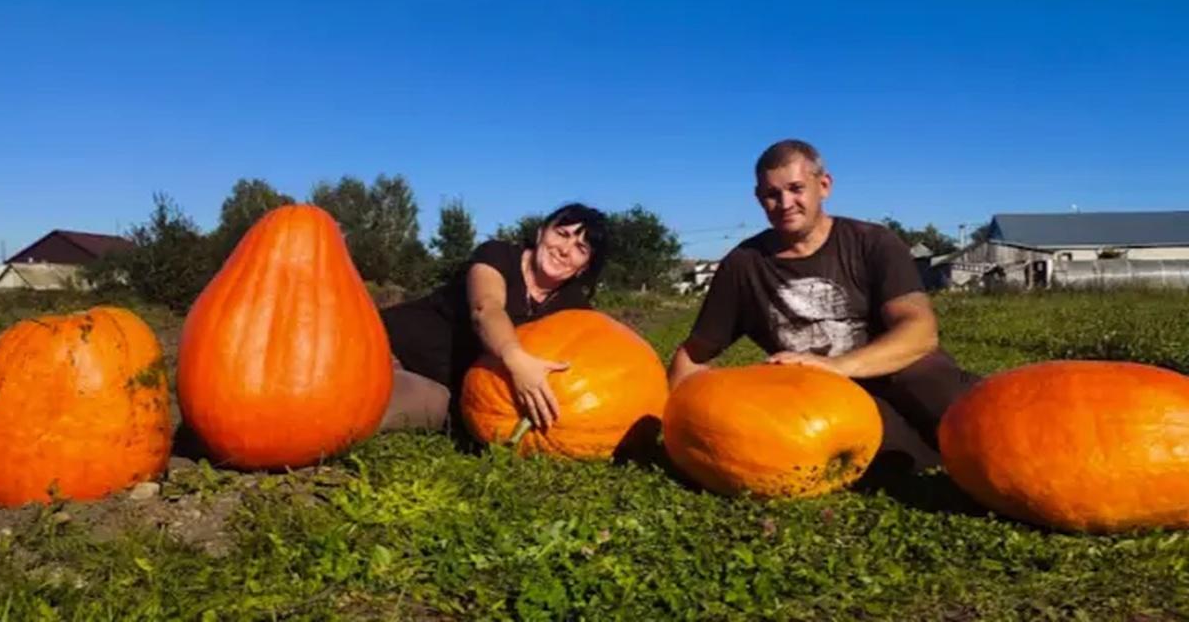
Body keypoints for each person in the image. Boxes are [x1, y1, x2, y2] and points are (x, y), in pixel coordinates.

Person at [667, 139, 978, 471]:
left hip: (901, 372)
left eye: (796, 188)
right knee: (889, 458)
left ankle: (980, 439)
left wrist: (836, 365)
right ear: (759, 199)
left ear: (824, 185)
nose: (785, 203)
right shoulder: (744, 265)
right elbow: (695, 354)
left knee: (944, 393)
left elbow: (920, 332)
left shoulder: (873, 242)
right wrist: (670, 425)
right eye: (772, 194)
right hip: (822, 402)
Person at [379, 203, 610, 432]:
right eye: (562, 234)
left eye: (581, 248)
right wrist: (515, 358)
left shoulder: (574, 309)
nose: (565, 249)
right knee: (366, 403)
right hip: (389, 347)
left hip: (450, 391)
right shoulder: (498, 255)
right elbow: (486, 308)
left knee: (442, 412)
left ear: (584, 267)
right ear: (541, 233)